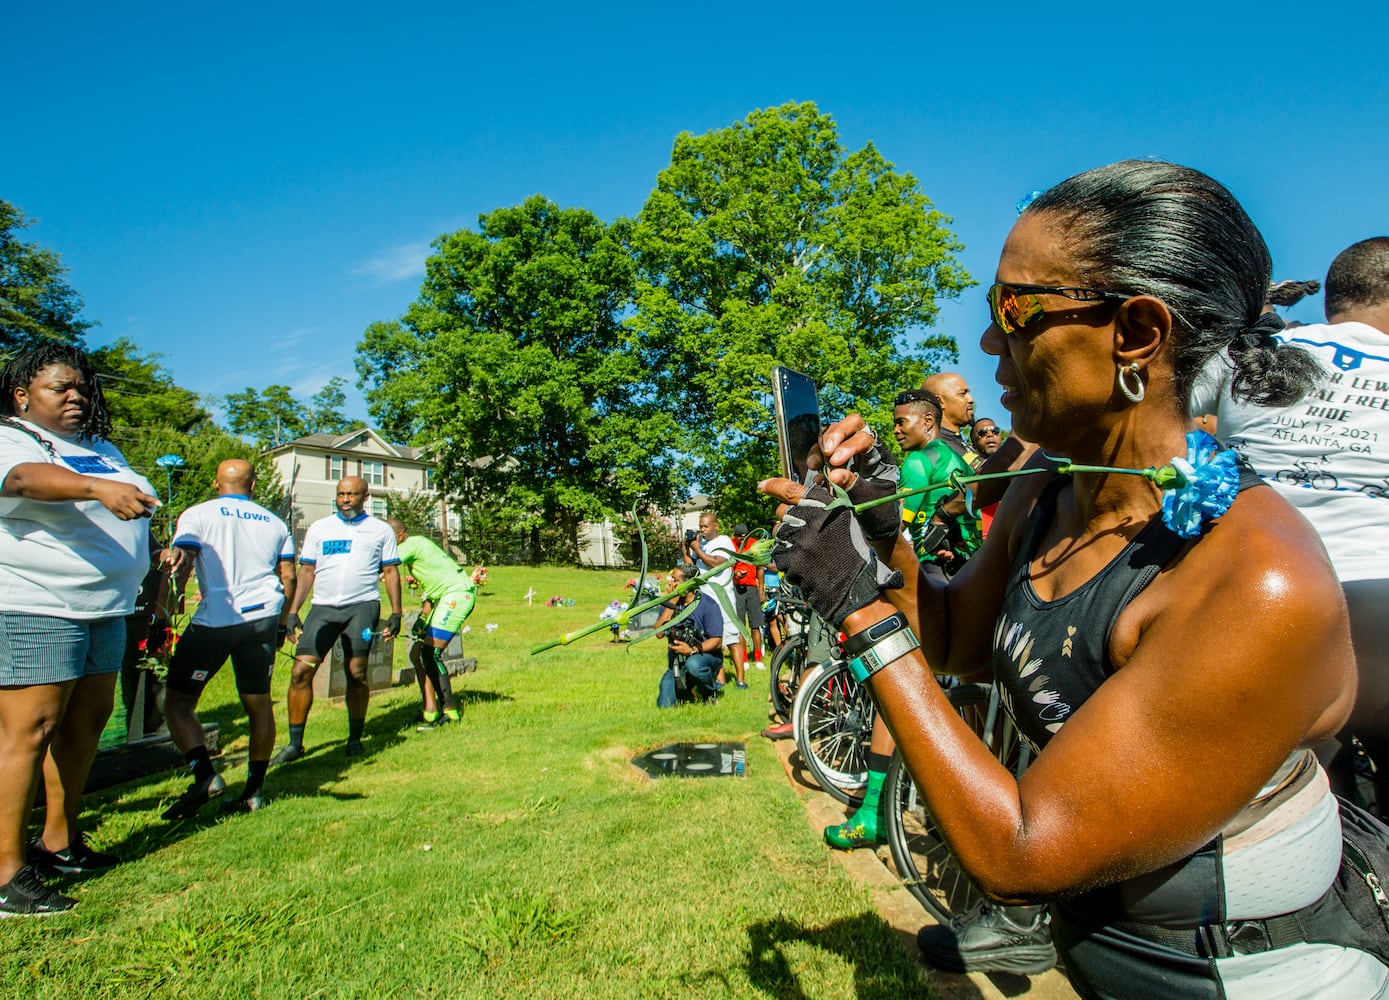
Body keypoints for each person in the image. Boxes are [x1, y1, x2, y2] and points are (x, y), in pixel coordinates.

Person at [764, 161, 1380, 995]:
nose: (989, 343)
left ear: (1136, 332)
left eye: (1014, 310)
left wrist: (856, 607)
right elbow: (957, 644)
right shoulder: (1049, 485)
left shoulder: (1255, 579)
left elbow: (1022, 853)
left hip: (1235, 974)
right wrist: (882, 539)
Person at [1191, 237, 1389, 814]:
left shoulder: (1250, 351)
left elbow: (1143, 410)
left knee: (1291, 815)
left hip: (1271, 601)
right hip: (1383, 587)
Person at [0, 343, 160, 915]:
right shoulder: (11, 438)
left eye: (81, 388)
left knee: (86, 725)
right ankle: (5, 870)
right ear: (23, 395)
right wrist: (96, 488)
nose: (77, 396)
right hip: (40, 603)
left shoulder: (101, 447)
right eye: (60, 388)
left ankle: (59, 842)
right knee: (30, 729)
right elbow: (19, 481)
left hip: (106, 606)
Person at [159, 460, 296, 818]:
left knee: (176, 703)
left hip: (218, 618)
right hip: (264, 616)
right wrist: (282, 625)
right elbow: (289, 577)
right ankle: (253, 791)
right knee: (259, 703)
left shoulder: (197, 514)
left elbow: (185, 558)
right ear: (253, 485)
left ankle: (204, 776)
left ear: (215, 482)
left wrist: (169, 607)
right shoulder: (275, 522)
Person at [271, 477, 402, 763]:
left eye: (352, 494)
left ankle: (355, 738)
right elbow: (306, 572)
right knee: (300, 673)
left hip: (362, 608)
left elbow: (391, 572)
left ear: (365, 497)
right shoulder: (320, 528)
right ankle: (295, 744)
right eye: (341, 494)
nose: (345, 499)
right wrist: (293, 611)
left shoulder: (380, 530)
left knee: (356, 673)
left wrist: (396, 612)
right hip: (323, 609)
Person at [387, 519, 481, 727]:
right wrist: (422, 618)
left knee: (430, 654)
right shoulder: (419, 548)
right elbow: (432, 587)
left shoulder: (410, 545)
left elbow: (385, 564)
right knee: (416, 654)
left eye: (388, 537)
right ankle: (430, 711)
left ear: (400, 535)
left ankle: (450, 711)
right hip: (447, 595)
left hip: (457, 595)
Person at [685, 512, 742, 688]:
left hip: (722, 597)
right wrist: (686, 547)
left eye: (705, 526)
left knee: (731, 638)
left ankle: (740, 679)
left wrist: (697, 549)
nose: (702, 530)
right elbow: (689, 567)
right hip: (706, 600)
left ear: (715, 526)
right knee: (711, 638)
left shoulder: (723, 541)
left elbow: (716, 564)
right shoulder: (701, 544)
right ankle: (720, 679)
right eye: (700, 526)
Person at [653, 565, 723, 707]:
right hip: (676, 665)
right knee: (664, 705)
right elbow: (659, 633)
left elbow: (717, 641)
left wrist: (692, 650)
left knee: (694, 665)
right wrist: (671, 605)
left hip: (704, 656)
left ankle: (710, 692)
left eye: (675, 580)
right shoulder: (670, 602)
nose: (671, 584)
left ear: (689, 583)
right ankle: (688, 691)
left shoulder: (708, 604)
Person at [729, 524, 766, 674]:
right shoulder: (730, 544)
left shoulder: (754, 544)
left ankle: (757, 658)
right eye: (739, 538)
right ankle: (743, 659)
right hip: (736, 588)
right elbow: (726, 566)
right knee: (740, 625)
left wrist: (761, 589)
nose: (741, 540)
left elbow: (760, 568)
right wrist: (735, 573)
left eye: (744, 537)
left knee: (755, 624)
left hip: (751, 587)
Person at [921, 371, 978, 464]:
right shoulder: (935, 447)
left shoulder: (957, 441)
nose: (971, 399)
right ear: (939, 402)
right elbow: (981, 473)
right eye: (963, 393)